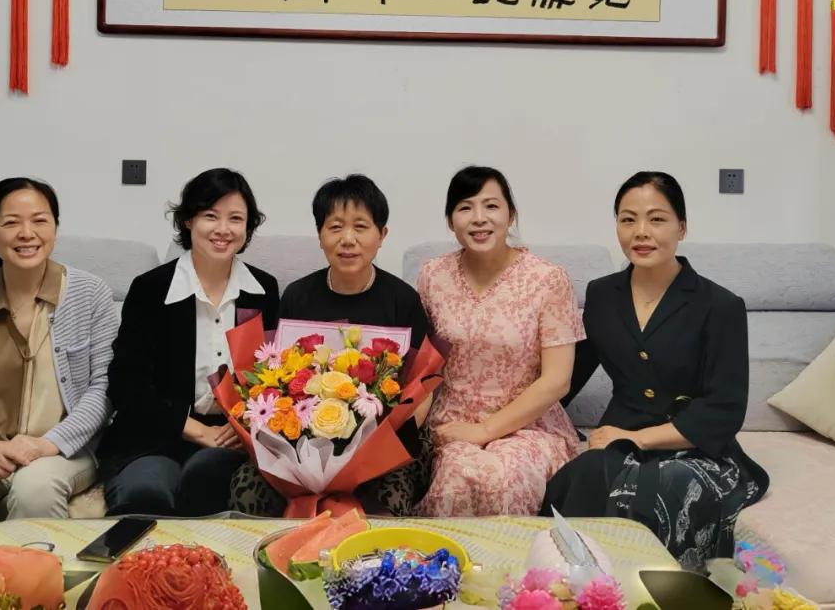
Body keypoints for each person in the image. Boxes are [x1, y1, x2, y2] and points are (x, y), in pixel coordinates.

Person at [542, 171, 769, 570]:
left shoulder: (721, 306)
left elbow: (725, 409)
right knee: (582, 476)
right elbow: (569, 374)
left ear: (682, 227)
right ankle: (572, 586)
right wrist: (512, 419)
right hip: (618, 438)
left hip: (694, 448)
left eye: (657, 219)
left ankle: (653, 590)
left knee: (659, 491)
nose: (641, 232)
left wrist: (637, 438)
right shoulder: (602, 294)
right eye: (628, 219)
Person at [0, 178, 117, 557]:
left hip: (62, 449)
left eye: (40, 221)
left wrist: (46, 444)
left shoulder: (90, 294)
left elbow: (104, 390)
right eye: (11, 222)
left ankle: (32, 588)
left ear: (55, 229)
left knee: (35, 489)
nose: (27, 233)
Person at [230, 174, 432, 516]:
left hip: (384, 444)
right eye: (335, 227)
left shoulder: (403, 300)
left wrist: (384, 442)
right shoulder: (297, 296)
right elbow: (276, 377)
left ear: (381, 235)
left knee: (391, 498)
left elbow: (423, 387)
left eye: (361, 227)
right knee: (246, 487)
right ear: (320, 235)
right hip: (300, 443)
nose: (347, 239)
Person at [98, 168, 279, 517]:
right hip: (155, 436)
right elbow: (126, 384)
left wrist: (241, 428)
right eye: (210, 216)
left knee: (206, 476)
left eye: (235, 219)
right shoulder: (151, 289)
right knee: (147, 492)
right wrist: (195, 430)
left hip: (231, 437)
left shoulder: (263, 291)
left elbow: (272, 377)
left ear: (248, 227)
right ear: (188, 220)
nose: (223, 229)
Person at [415, 166, 582, 517]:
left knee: (505, 478)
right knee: (457, 478)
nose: (479, 218)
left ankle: (513, 556)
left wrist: (486, 430)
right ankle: (440, 556)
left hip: (529, 424)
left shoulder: (548, 279)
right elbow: (424, 365)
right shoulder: (432, 276)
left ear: (511, 215)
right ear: (450, 221)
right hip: (453, 422)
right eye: (465, 207)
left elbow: (557, 380)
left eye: (491, 206)